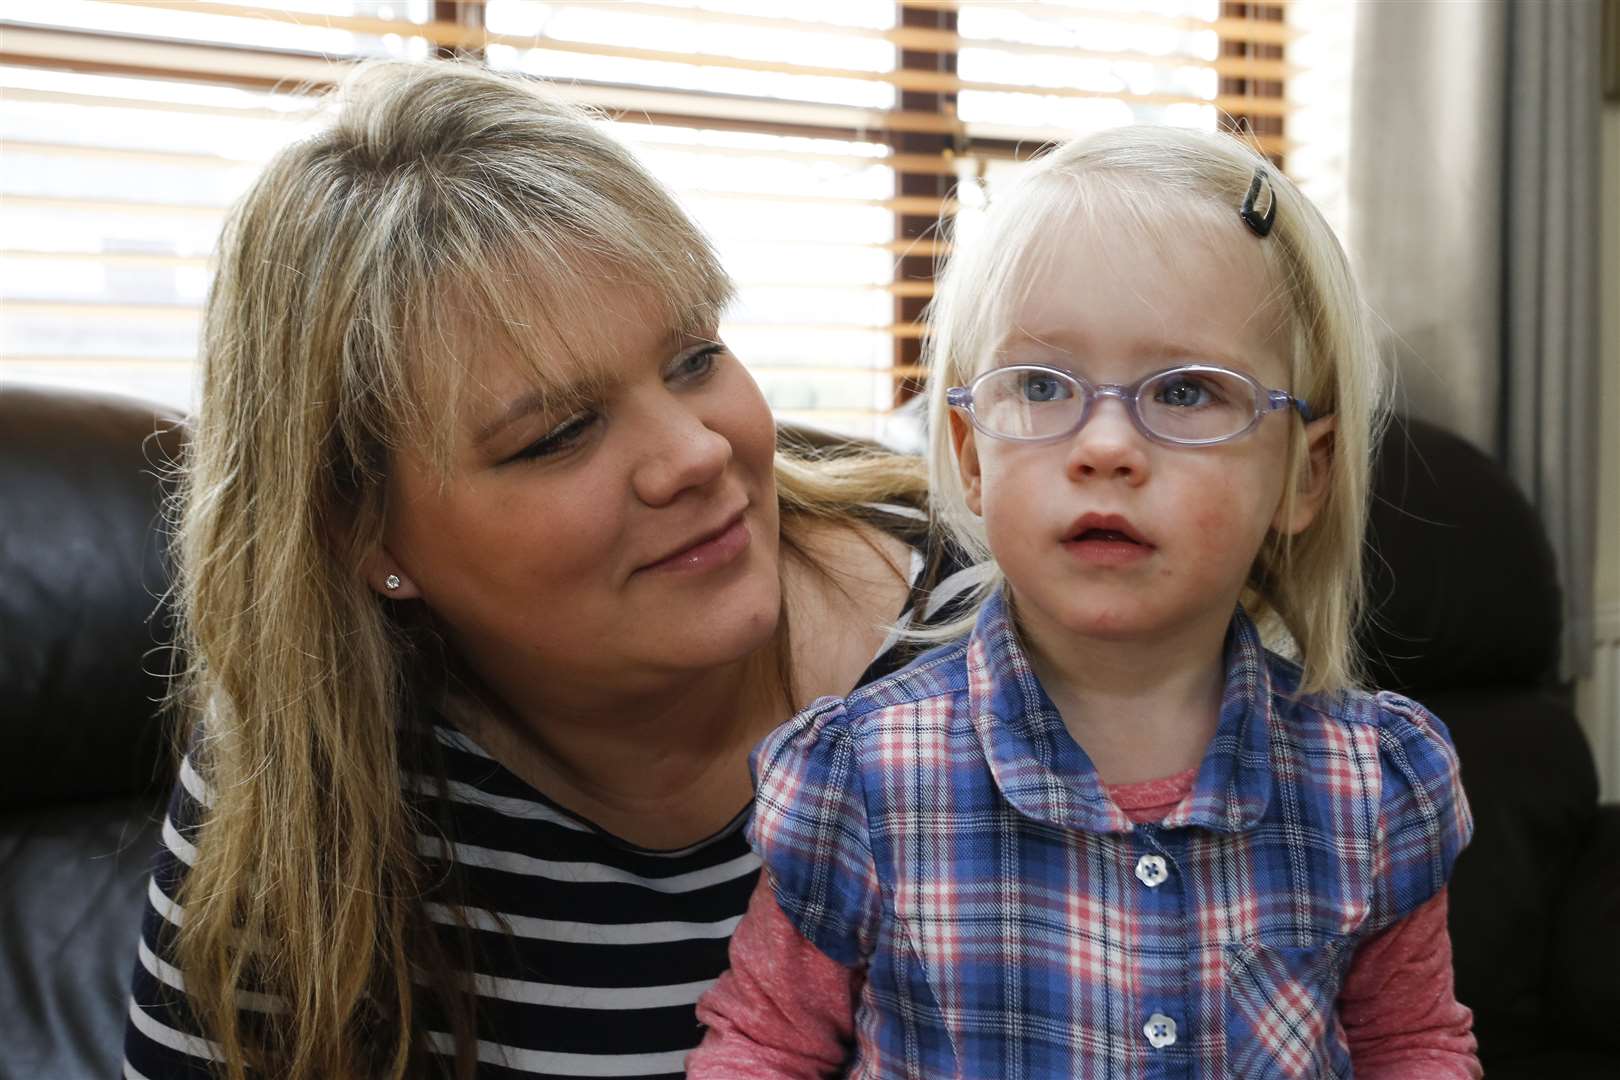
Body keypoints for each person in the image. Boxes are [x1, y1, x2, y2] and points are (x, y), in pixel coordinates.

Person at [121, 60, 978, 1080]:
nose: (697, 453)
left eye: (696, 357)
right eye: (561, 432)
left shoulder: (988, 653)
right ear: (365, 533)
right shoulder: (304, 789)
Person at [689, 126, 1482, 1078]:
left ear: (1301, 479)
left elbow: (1412, 1044)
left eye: (1187, 391)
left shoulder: (1373, 784)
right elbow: (764, 1048)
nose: (1105, 446)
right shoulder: (862, 779)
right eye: (1043, 385)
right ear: (975, 456)